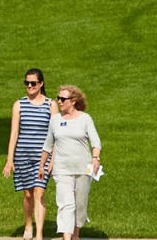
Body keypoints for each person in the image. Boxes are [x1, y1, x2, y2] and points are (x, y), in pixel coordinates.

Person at [40, 86, 101, 240]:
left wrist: (95, 158)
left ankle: (75, 234)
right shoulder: (55, 120)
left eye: (63, 99)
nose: (59, 101)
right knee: (66, 205)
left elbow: (96, 142)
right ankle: (67, 238)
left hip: (83, 169)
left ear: (73, 101)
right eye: (58, 98)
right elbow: (48, 145)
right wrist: (42, 165)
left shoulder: (85, 119)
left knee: (80, 206)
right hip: (62, 169)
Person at [4, 69, 59, 240]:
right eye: (26, 83)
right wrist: (9, 160)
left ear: (41, 84)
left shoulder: (51, 104)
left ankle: (39, 234)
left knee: (39, 192)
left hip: (43, 157)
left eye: (33, 83)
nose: (29, 86)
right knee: (27, 193)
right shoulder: (19, 104)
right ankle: (29, 223)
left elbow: (56, 134)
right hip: (23, 155)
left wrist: (53, 159)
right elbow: (14, 133)